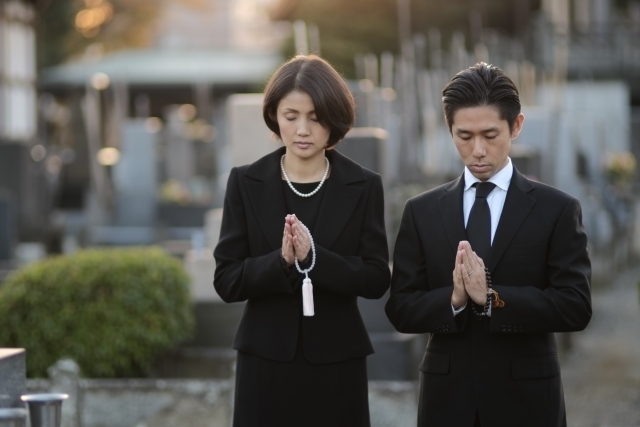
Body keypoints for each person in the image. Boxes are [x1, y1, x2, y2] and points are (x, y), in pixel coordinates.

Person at [385, 62, 592, 427]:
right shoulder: (421, 211)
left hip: (527, 402)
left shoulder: (556, 209)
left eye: (490, 135)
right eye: (464, 136)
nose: (478, 149)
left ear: (516, 126)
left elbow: (575, 306)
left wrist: (492, 296)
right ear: (449, 130)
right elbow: (401, 307)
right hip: (447, 401)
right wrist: (454, 300)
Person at [213, 55, 390, 427]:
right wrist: (280, 261)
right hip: (264, 361)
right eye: (291, 116)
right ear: (275, 116)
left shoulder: (363, 184)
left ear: (335, 119)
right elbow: (227, 280)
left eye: (316, 117)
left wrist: (315, 259)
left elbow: (376, 277)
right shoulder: (246, 182)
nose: (303, 129)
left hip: (337, 362)